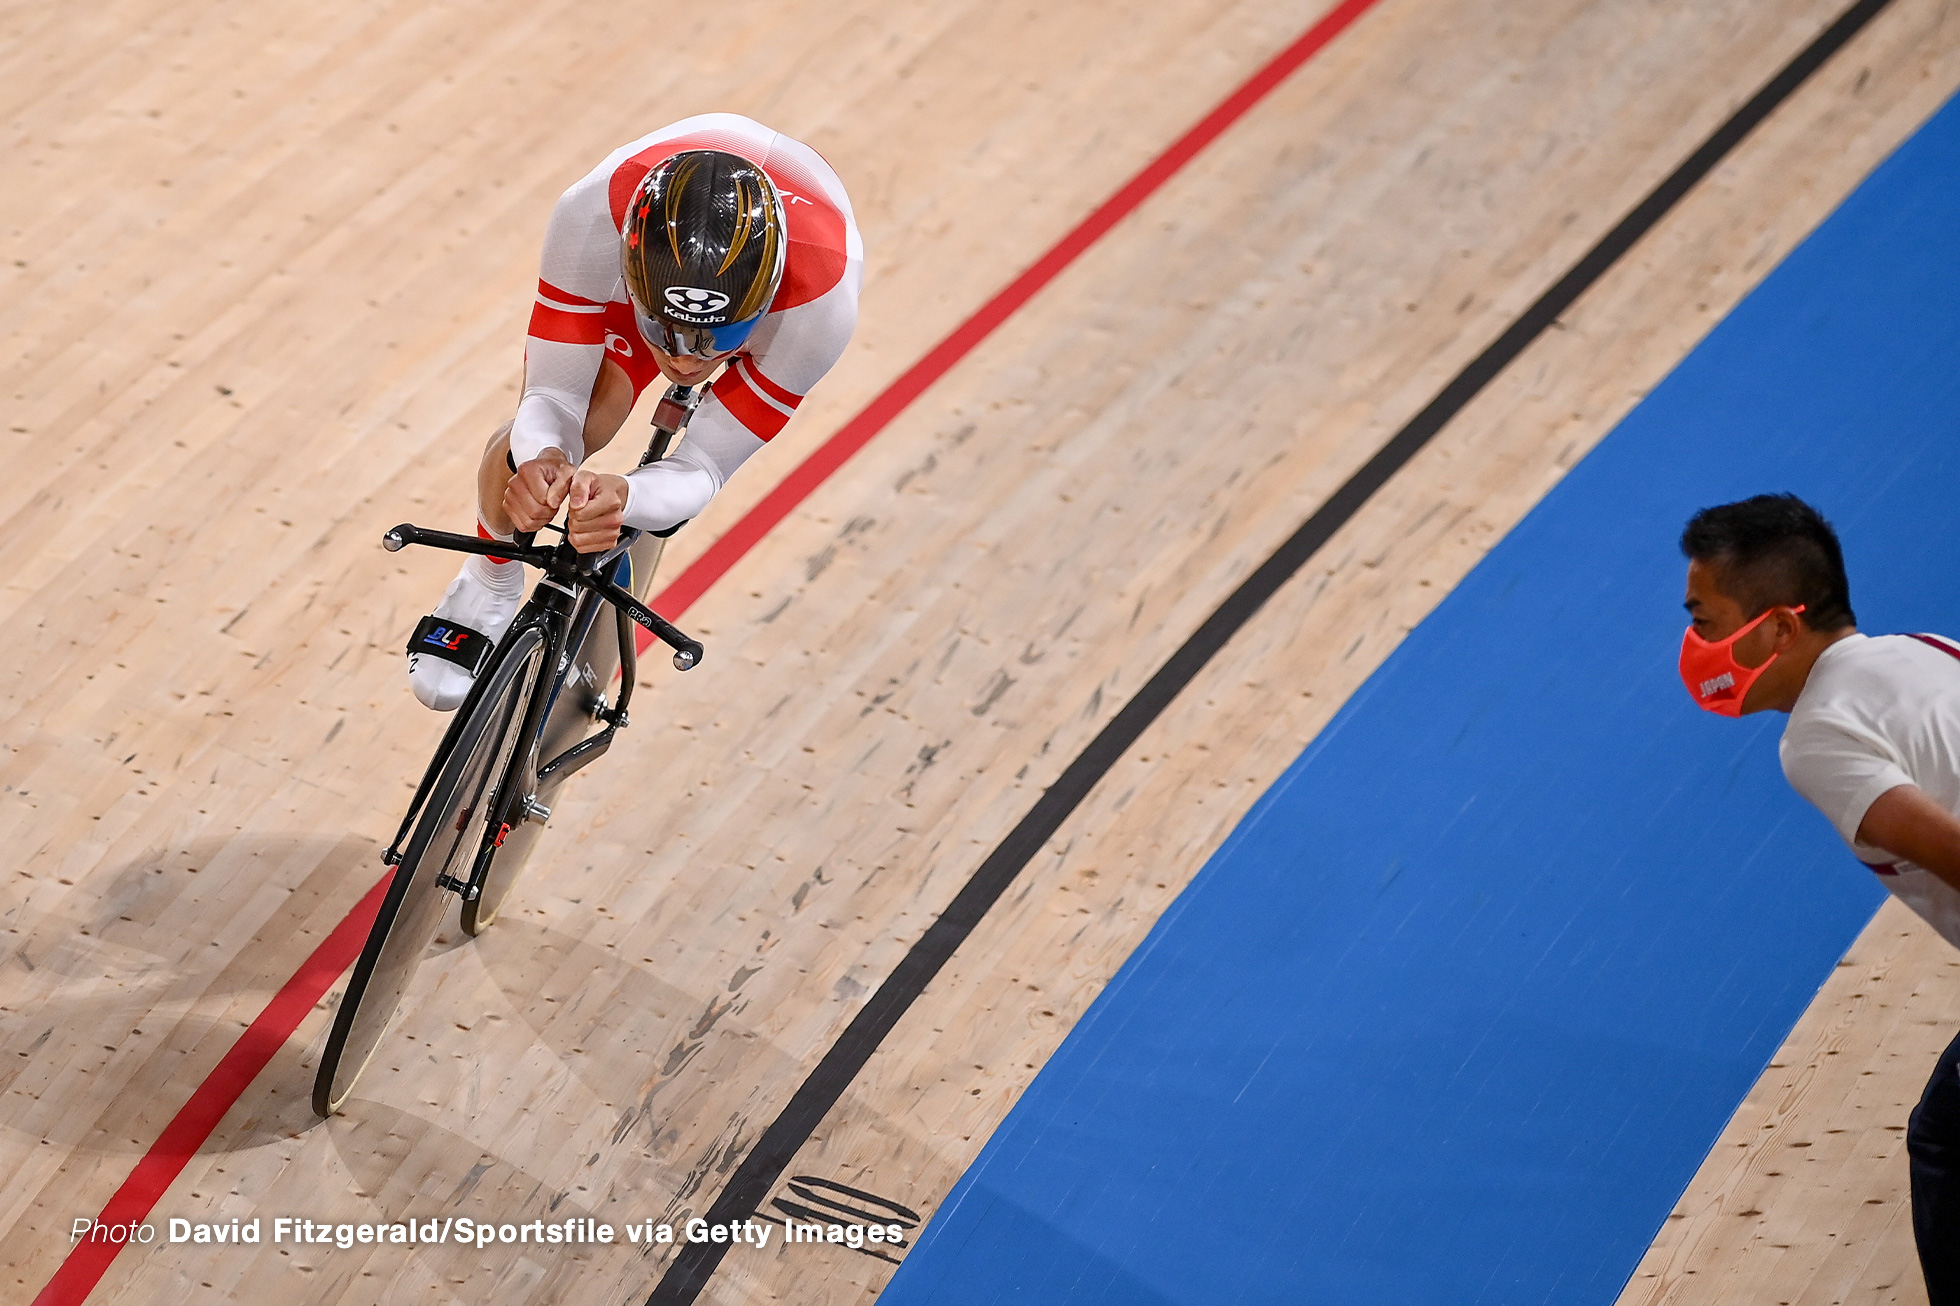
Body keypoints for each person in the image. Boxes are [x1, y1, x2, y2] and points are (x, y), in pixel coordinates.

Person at [407, 113, 863, 709]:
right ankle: (487, 579)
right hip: (643, 257)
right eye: (666, 331)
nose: (686, 361)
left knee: (645, 479)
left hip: (787, 284)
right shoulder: (591, 215)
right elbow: (552, 396)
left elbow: (705, 465)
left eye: (715, 340)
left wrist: (630, 495)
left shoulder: (818, 304)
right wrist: (545, 457)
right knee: (574, 417)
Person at [1678, 492, 1959, 1304]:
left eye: (1706, 619)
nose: (1695, 644)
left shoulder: (1819, 738)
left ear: (1775, 628)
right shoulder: (1922, 648)